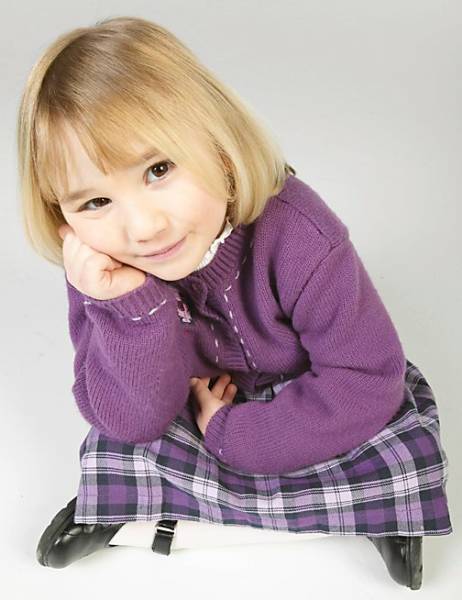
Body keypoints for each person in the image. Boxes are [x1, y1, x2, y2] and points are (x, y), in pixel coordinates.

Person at [17, 16, 451, 589]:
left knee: (399, 441)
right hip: (187, 399)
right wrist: (130, 308)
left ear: (220, 149)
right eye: (95, 202)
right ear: (63, 217)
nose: (143, 228)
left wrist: (237, 435)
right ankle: (119, 509)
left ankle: (387, 517)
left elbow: (364, 379)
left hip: (310, 392)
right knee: (116, 441)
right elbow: (130, 415)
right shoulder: (104, 267)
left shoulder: (300, 234)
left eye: (159, 169)